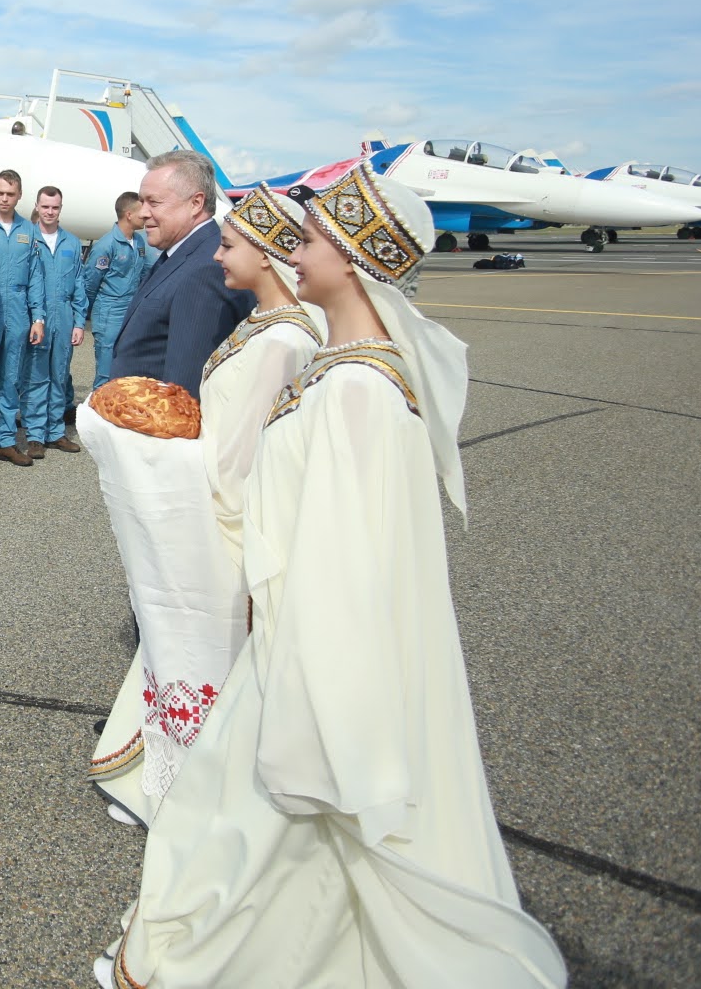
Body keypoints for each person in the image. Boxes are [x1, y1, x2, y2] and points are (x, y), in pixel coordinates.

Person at [95, 163, 566, 989]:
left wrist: (301, 661)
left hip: (309, 636)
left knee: (276, 820)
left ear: (351, 261)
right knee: (241, 818)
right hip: (286, 619)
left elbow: (350, 556)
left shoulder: (360, 389)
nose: (295, 253)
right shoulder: (341, 366)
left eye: (309, 241)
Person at [87, 184, 321, 827]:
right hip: (212, 506)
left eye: (229, 245)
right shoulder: (263, 326)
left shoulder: (283, 341)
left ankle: (197, 789)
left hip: (227, 521)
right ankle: (169, 765)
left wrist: (133, 446)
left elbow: (236, 456)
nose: (217, 257)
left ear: (266, 255)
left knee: (206, 653)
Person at [107, 150, 253, 395]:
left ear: (195, 203)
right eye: (142, 202)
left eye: (154, 202)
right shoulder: (180, 254)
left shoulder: (206, 268)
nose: (143, 213)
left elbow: (184, 391)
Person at [0, 170, 44, 467]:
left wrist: (38, 317)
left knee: (11, 378)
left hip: (18, 309)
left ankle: (6, 441)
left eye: (10, 194)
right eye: (0, 193)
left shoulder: (29, 230)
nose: (4, 198)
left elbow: (36, 276)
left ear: (19, 196)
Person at [22, 185, 88, 456]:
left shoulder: (71, 242)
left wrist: (79, 322)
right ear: (37, 207)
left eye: (55, 207)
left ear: (60, 209)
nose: (50, 212)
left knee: (60, 375)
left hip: (64, 313)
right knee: (37, 377)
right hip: (37, 316)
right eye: (45, 206)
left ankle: (56, 432)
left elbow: (80, 282)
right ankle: (36, 435)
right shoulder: (27, 239)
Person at [82, 192, 148, 392]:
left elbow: (142, 274)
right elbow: (90, 283)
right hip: (109, 313)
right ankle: (96, 410)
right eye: (141, 212)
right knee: (105, 373)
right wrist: (89, 313)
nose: (146, 215)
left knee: (124, 372)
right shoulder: (106, 245)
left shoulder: (139, 242)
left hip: (130, 312)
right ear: (129, 214)